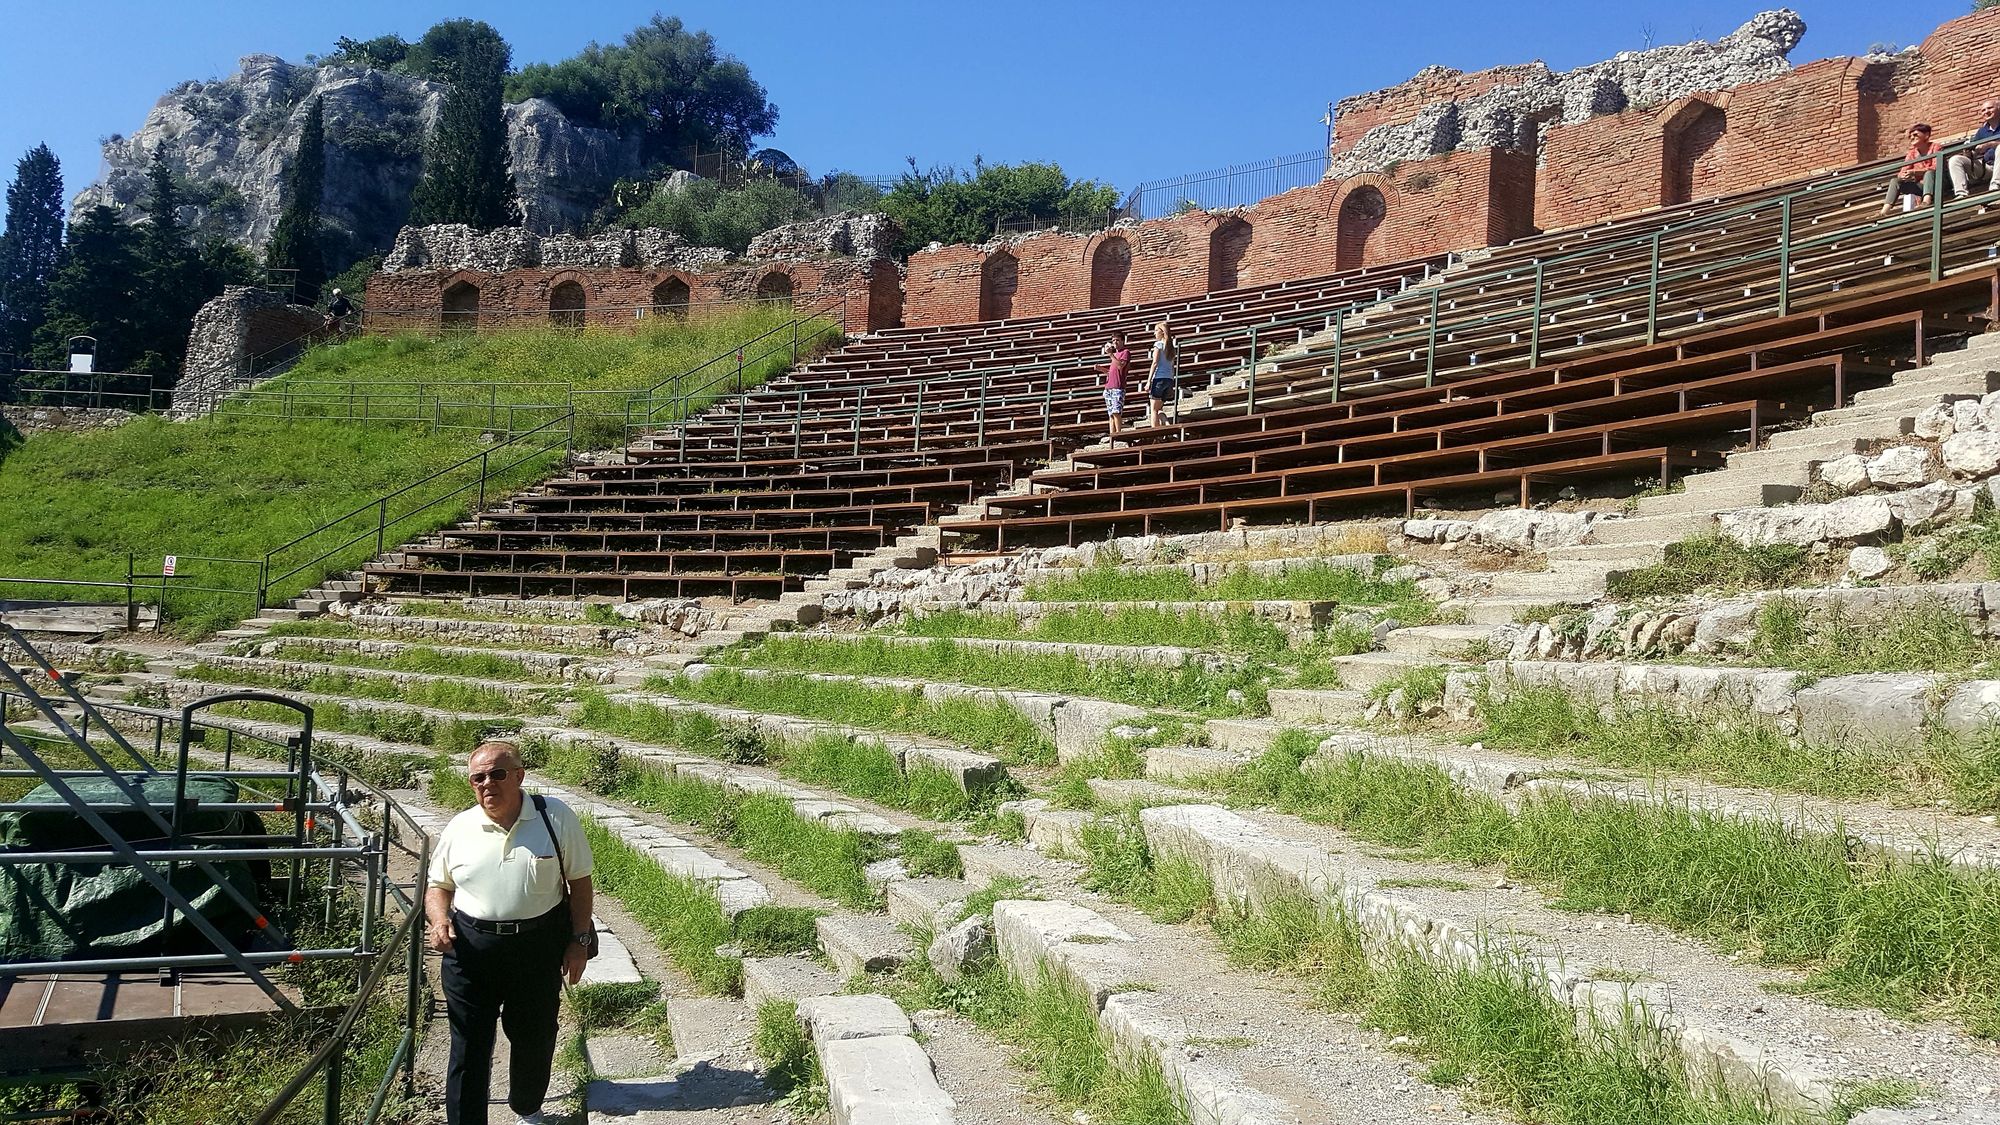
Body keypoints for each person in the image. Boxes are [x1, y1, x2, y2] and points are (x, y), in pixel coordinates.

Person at [426, 742, 595, 1125]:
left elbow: (580, 884)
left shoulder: (556, 817)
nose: (488, 783)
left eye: (497, 774)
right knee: (468, 1045)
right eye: (478, 777)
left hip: (535, 946)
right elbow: (438, 887)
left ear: (519, 776)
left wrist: (579, 941)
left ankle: (527, 1109)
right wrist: (439, 922)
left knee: (534, 1035)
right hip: (470, 948)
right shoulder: (460, 827)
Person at [1882, 123, 1943, 213]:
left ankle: (1926, 201)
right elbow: (1903, 171)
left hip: (1938, 183)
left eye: (1915, 135)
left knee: (1929, 173)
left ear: (1926, 135)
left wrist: (1914, 172)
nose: (1912, 138)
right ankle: (1884, 211)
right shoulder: (1912, 153)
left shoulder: (1936, 147)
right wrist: (1903, 176)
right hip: (1921, 185)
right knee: (1895, 181)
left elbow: (1936, 167)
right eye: (1910, 136)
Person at [1949, 101, 2000, 199]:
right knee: (1955, 159)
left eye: (1990, 108)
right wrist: (1969, 153)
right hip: (1987, 166)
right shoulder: (1982, 131)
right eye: (1983, 110)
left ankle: (1996, 186)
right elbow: (1974, 150)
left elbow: (1989, 146)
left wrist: (1990, 144)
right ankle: (1961, 194)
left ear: (1999, 108)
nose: (1986, 112)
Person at [1100, 330, 1131, 442]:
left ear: (1123, 341)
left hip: (1118, 386)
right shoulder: (1115, 355)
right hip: (1109, 386)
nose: (1115, 343)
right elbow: (1111, 372)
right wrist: (1101, 369)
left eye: (1117, 340)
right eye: (1113, 340)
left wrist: (1110, 354)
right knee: (1110, 414)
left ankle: (1118, 433)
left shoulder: (1125, 352)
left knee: (1116, 412)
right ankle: (1112, 435)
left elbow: (1120, 366)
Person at [1145, 321, 1176, 428]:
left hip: (1159, 378)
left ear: (1162, 332)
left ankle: (1156, 434)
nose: (1154, 333)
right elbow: (1172, 366)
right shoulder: (1171, 347)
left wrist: (1148, 381)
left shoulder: (1158, 345)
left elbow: (1155, 363)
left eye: (1156, 331)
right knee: (1159, 408)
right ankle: (1166, 424)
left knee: (1153, 409)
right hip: (1168, 379)